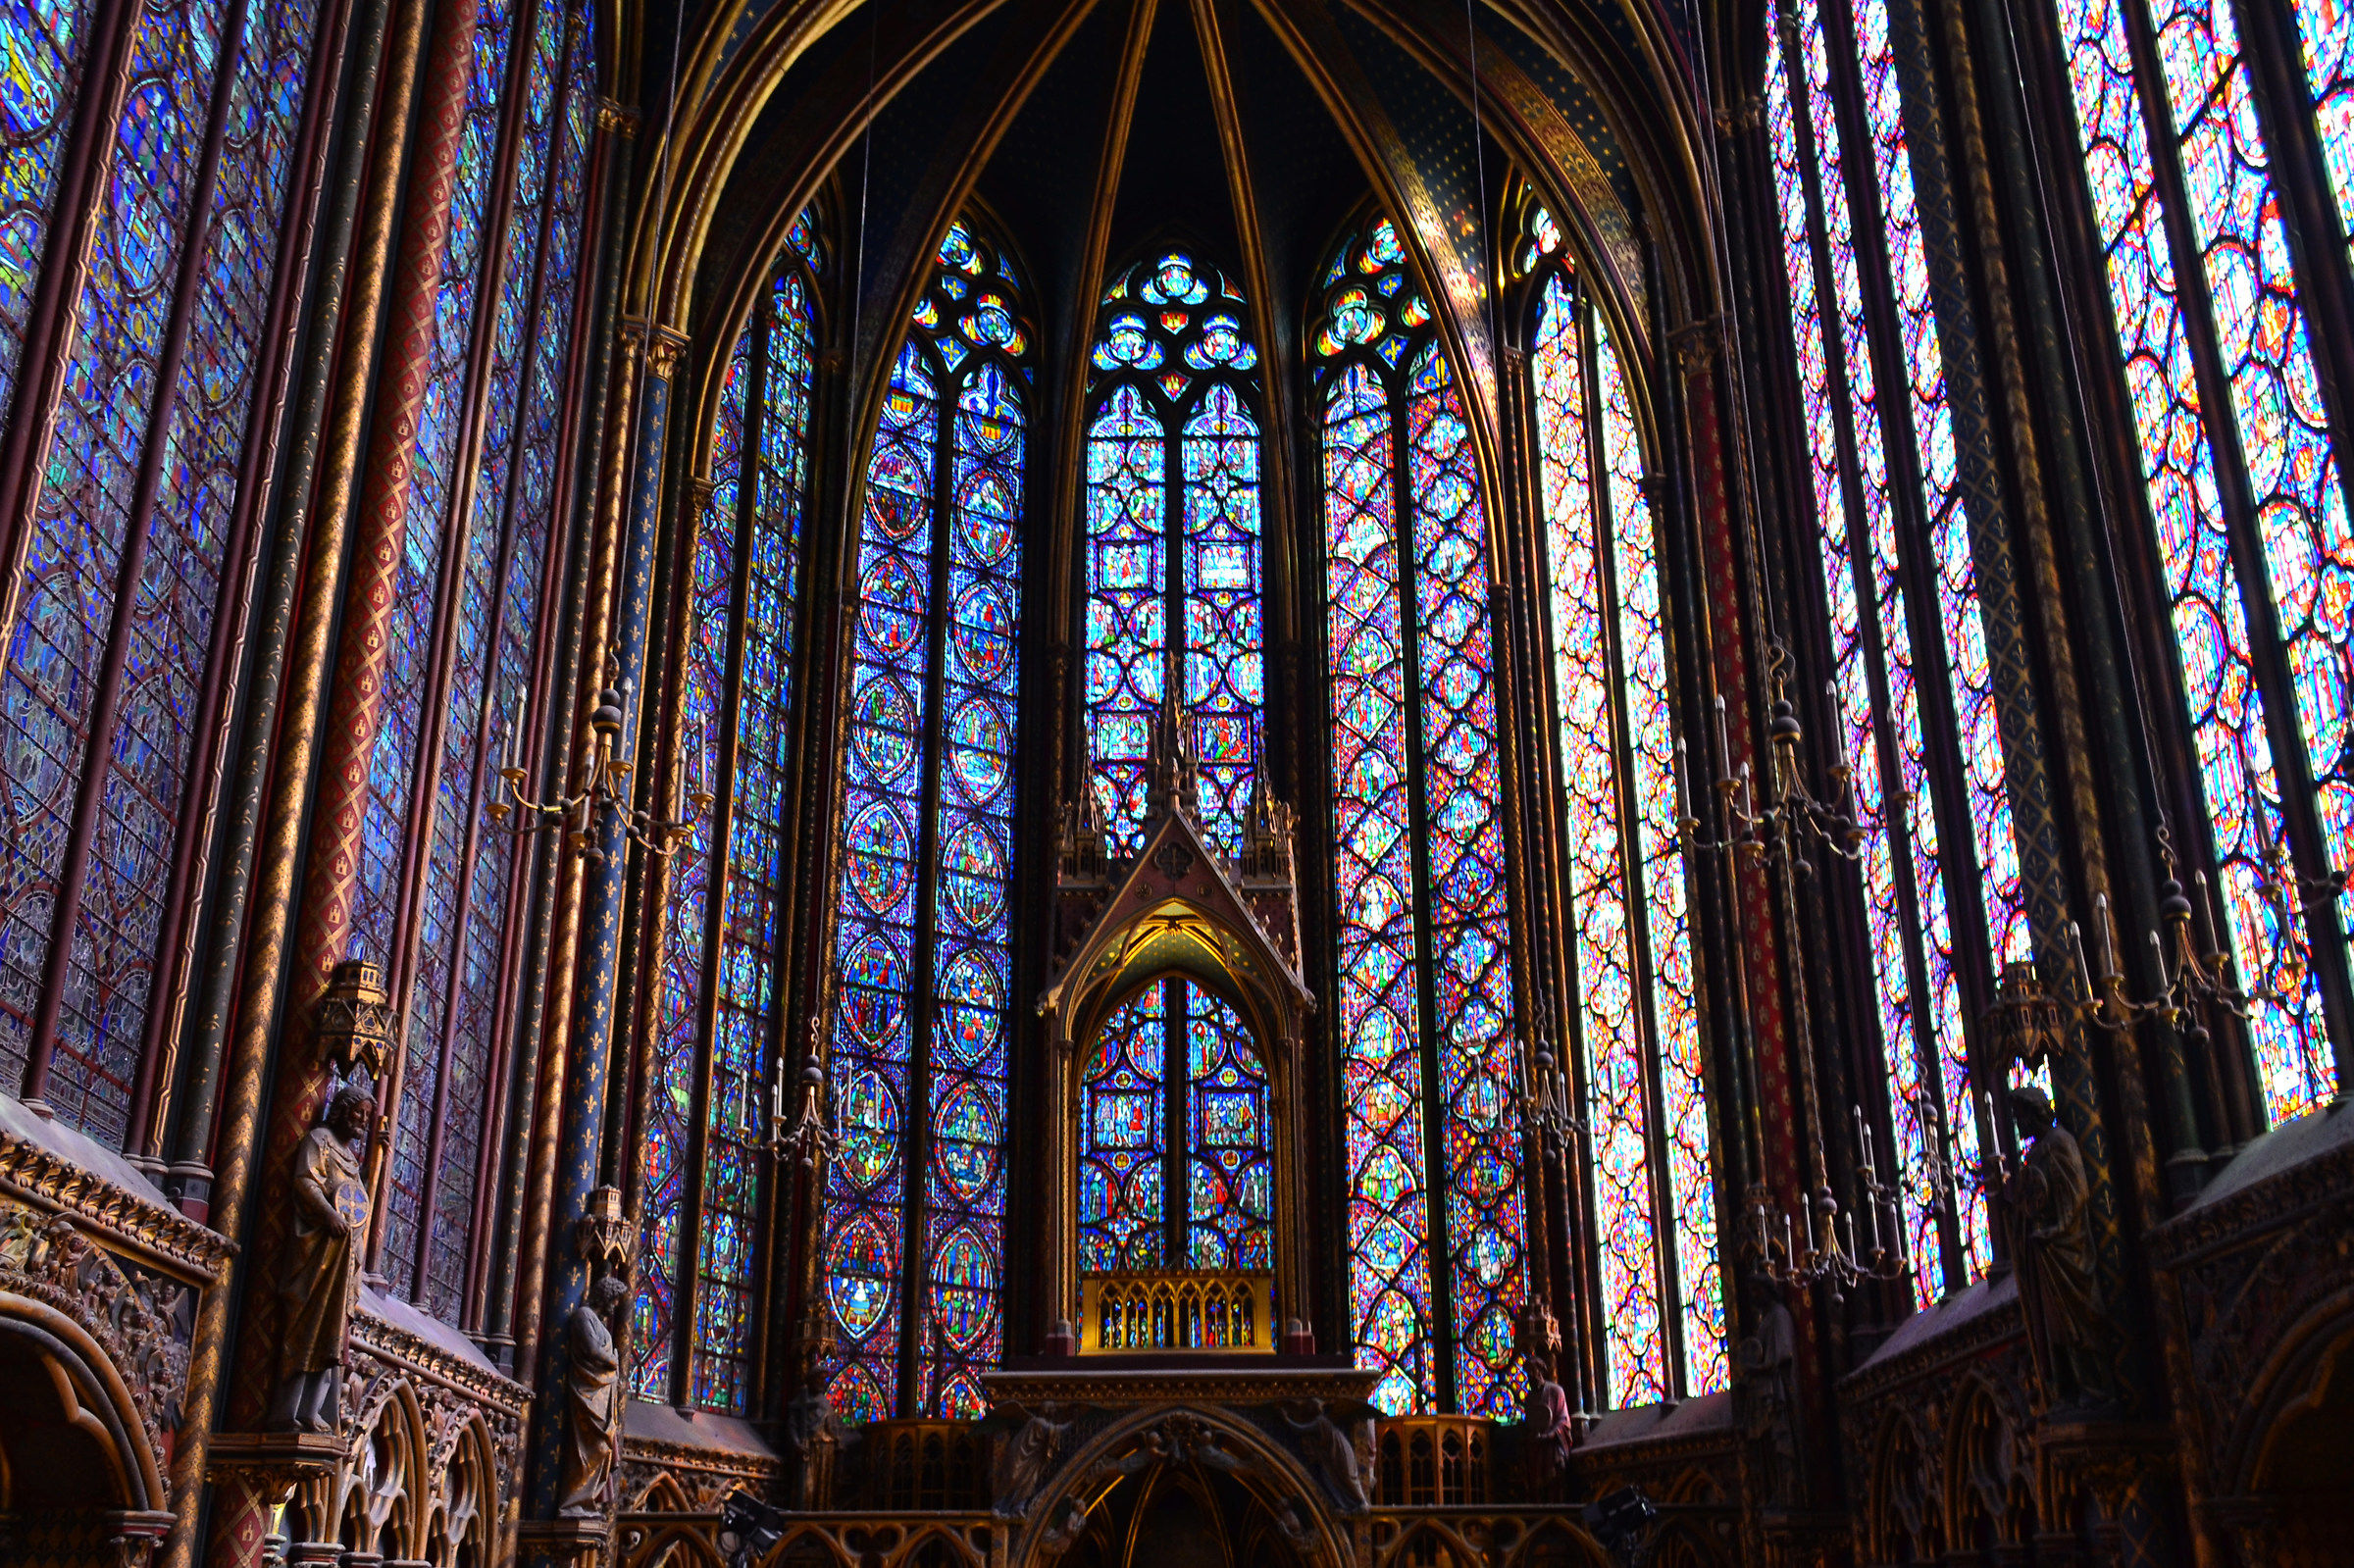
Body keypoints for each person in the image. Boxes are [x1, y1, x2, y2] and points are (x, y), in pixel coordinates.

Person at [270, 1084, 373, 1433]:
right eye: (357, 1112)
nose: (362, 1121)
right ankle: (290, 1410)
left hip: (343, 1262)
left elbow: (359, 1204)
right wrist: (329, 1214)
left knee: (334, 1340)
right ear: (341, 1109)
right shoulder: (319, 1141)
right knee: (309, 1330)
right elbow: (306, 1182)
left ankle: (315, 1410)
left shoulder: (354, 1162)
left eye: (366, 1116)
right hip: (318, 1256)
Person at [557, 1274, 631, 1515]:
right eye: (614, 1301)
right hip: (586, 1394)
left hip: (601, 1397)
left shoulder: (599, 1324)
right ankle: (573, 1502)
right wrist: (614, 1360)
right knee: (591, 1448)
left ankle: (586, 1501)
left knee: (602, 1450)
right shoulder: (584, 1316)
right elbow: (591, 1350)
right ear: (605, 1296)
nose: (614, 1307)